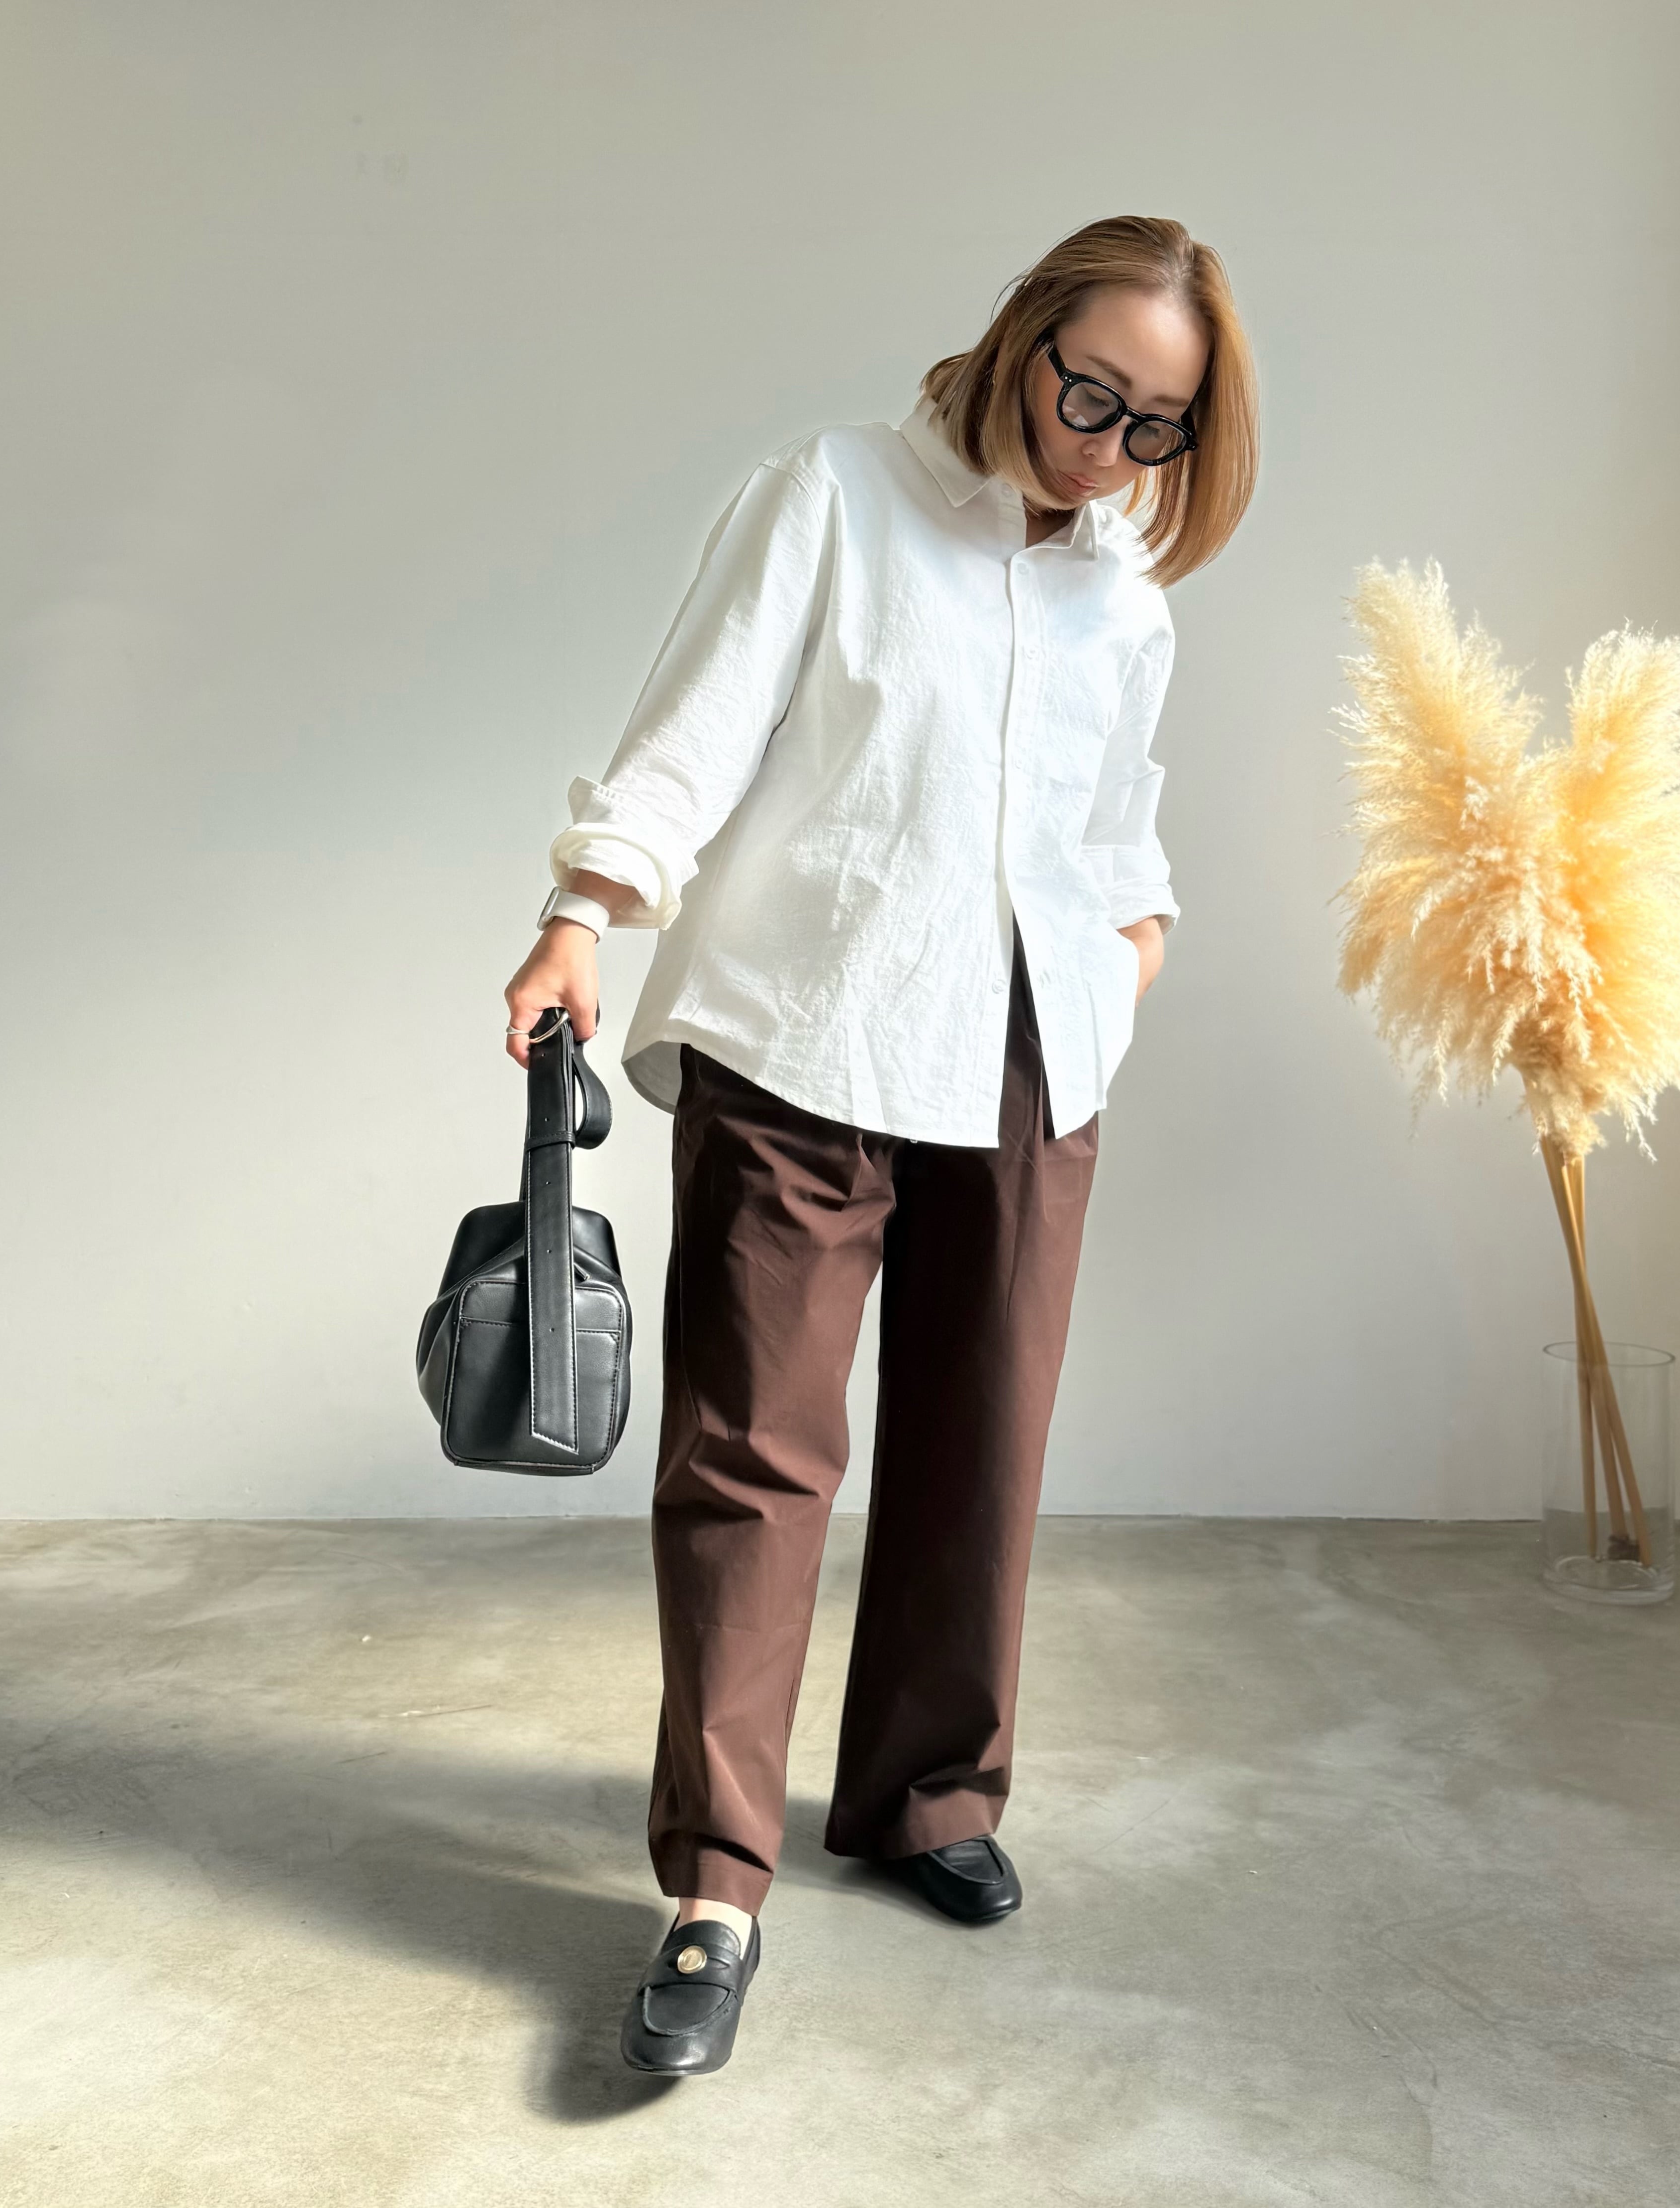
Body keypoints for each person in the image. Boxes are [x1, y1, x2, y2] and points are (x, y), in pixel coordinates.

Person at [503, 213, 1259, 2076]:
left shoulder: (1125, 599)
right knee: (750, 1463)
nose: (1107, 445)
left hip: (1029, 1056)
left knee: (980, 1445)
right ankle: (714, 1891)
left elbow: (1117, 830)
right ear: (1022, 338)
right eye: (1090, 391)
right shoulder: (831, 498)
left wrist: (1132, 948)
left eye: (1155, 425)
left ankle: (926, 1798)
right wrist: (584, 912)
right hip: (805, 1034)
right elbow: (692, 735)